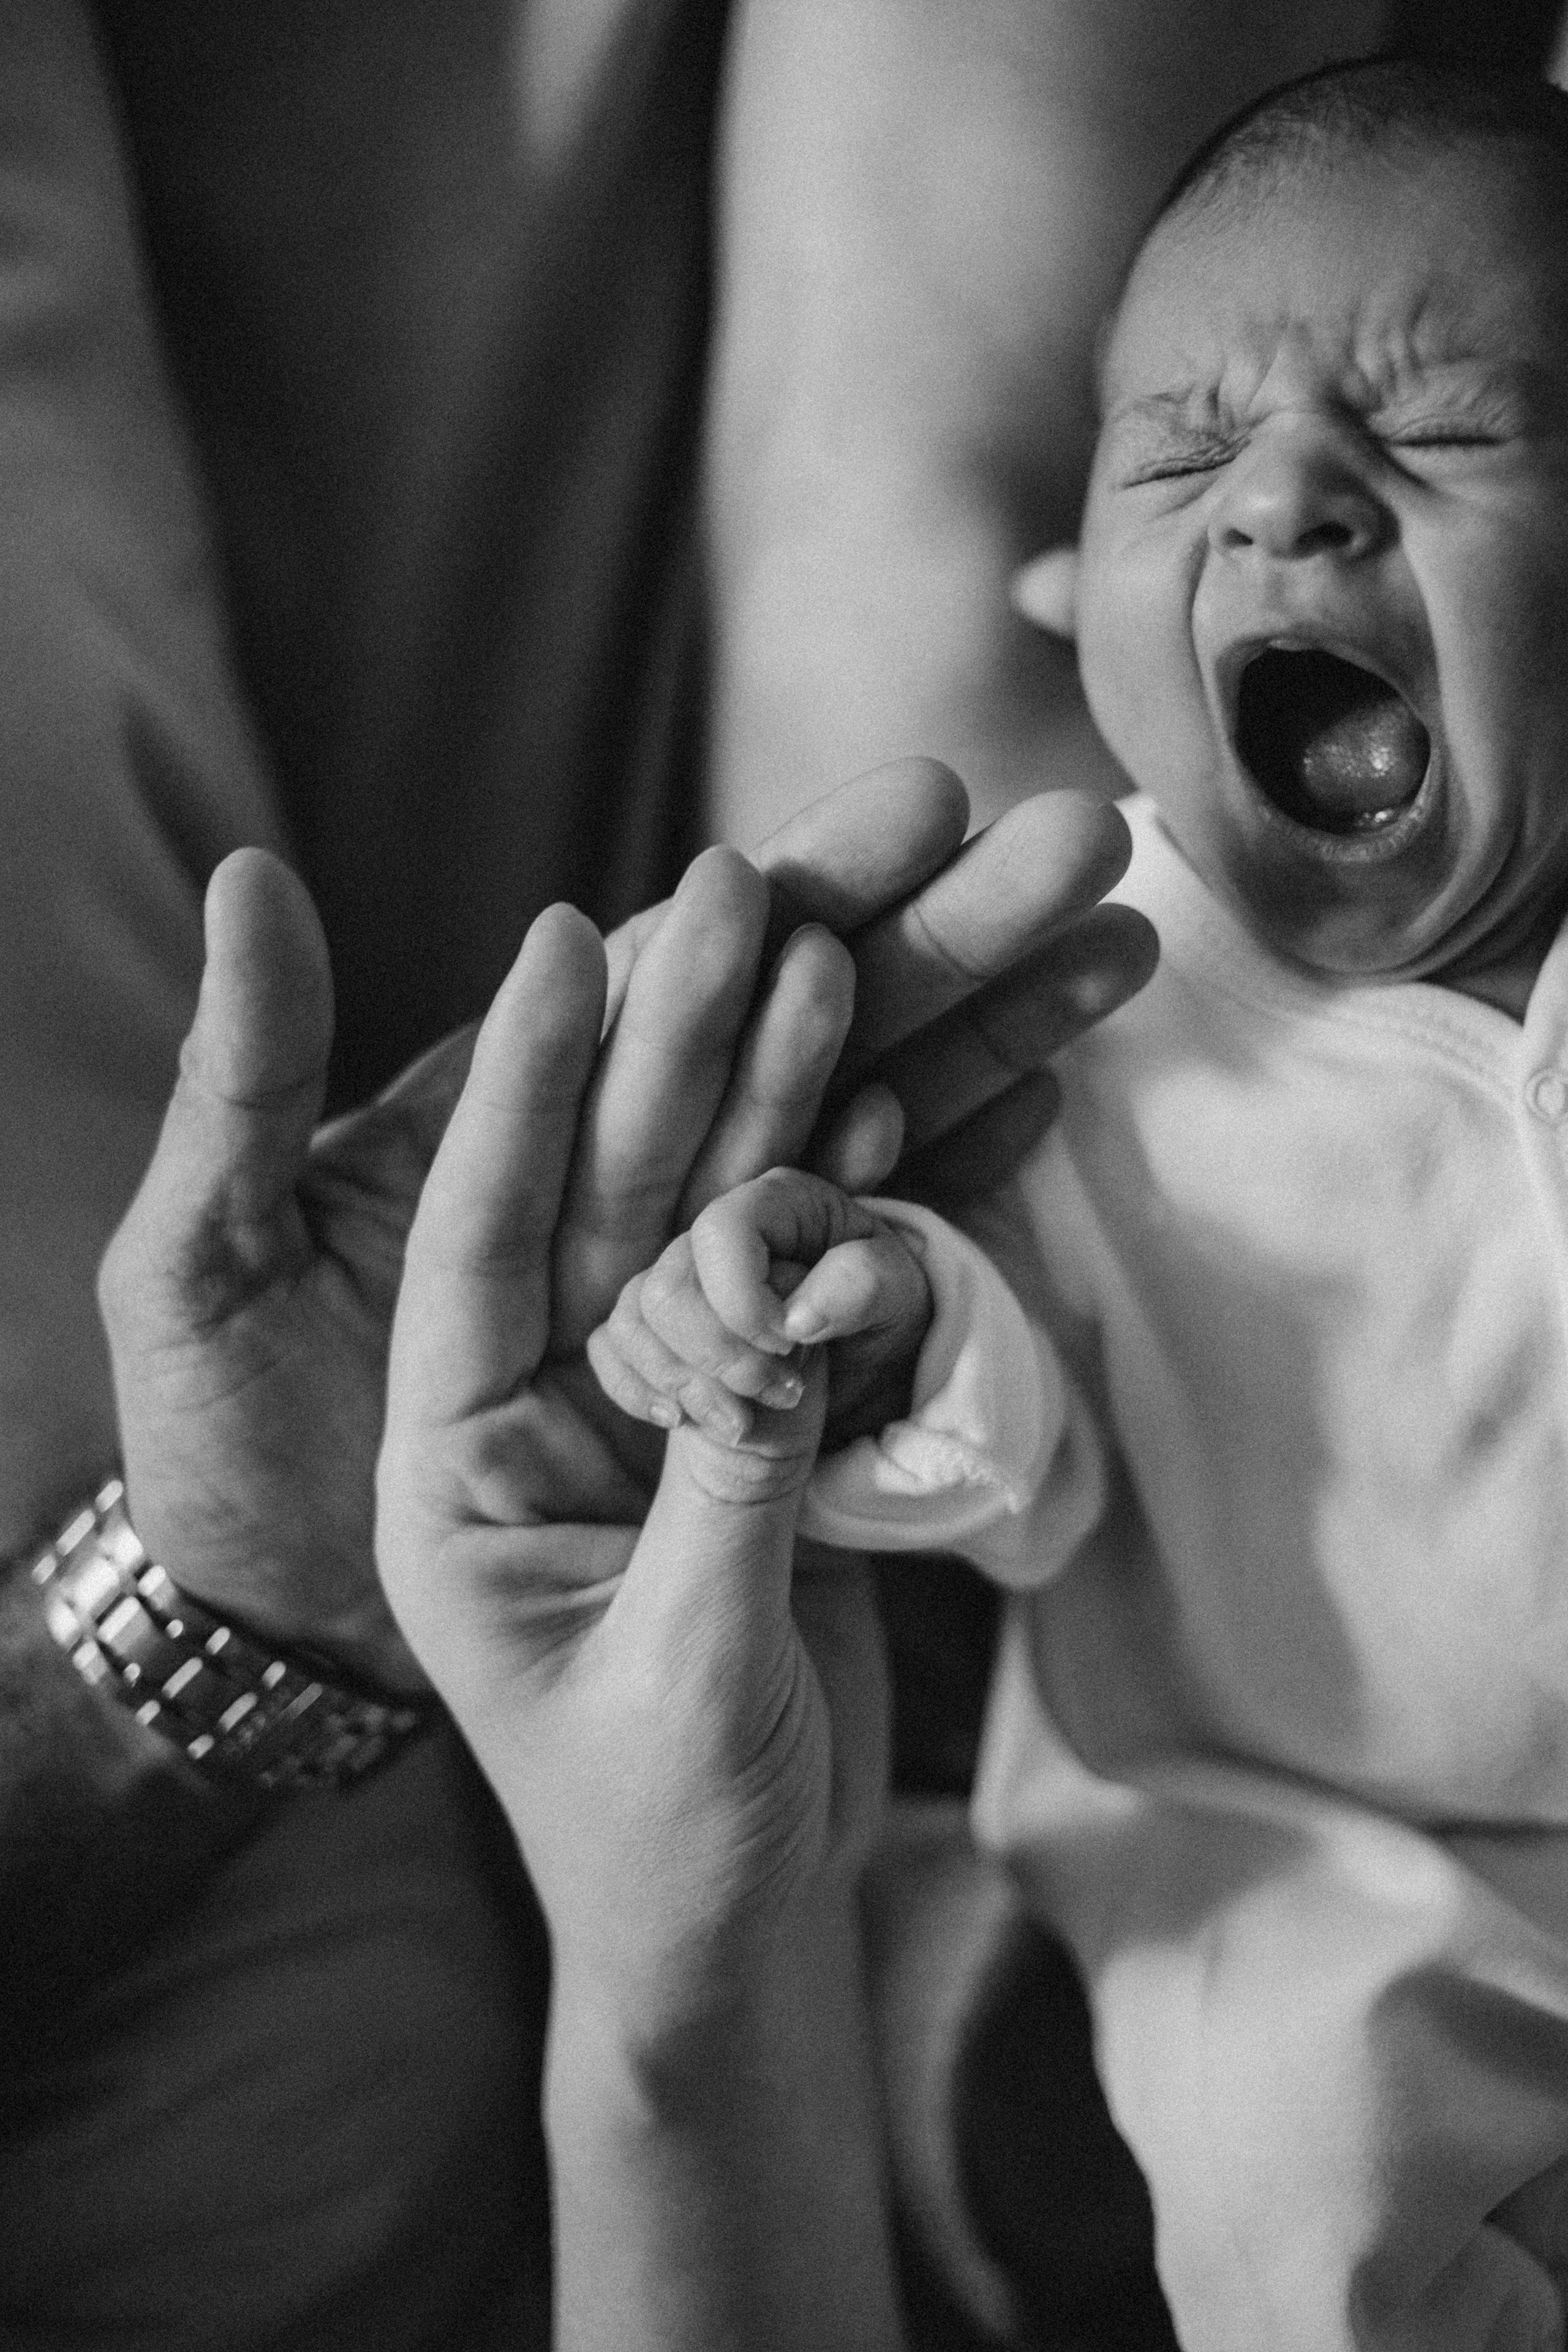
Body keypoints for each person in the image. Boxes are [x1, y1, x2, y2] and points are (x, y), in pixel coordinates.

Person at [4, 3, 1554, 2347]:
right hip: (1307, 1859)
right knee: (1295, 2172)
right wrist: (898, 1334)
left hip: (995, 1876)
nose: (1282, 499)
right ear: (1093, 613)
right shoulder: (1134, 1001)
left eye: (1434, 432)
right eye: (1183, 468)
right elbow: (1016, 1418)